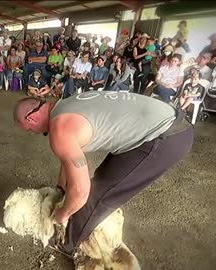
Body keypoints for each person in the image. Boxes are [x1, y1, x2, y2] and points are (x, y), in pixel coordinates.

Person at [12, 91, 194, 262]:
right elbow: (71, 158)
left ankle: (67, 242)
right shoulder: (67, 105)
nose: (33, 133)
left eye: (29, 129)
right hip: (170, 121)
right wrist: (60, 189)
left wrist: (61, 214)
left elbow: (82, 190)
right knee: (94, 184)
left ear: (31, 118)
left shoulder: (60, 130)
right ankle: (79, 224)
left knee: (98, 194)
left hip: (165, 137)